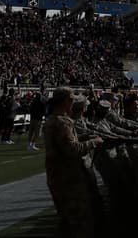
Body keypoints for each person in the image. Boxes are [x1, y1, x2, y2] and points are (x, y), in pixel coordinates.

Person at [44, 88, 103, 238]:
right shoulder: (62, 122)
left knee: (66, 221)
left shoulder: (52, 119)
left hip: (57, 175)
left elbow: (63, 145)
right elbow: (73, 150)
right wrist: (93, 142)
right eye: (71, 100)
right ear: (66, 101)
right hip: (69, 178)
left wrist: (83, 137)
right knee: (80, 221)